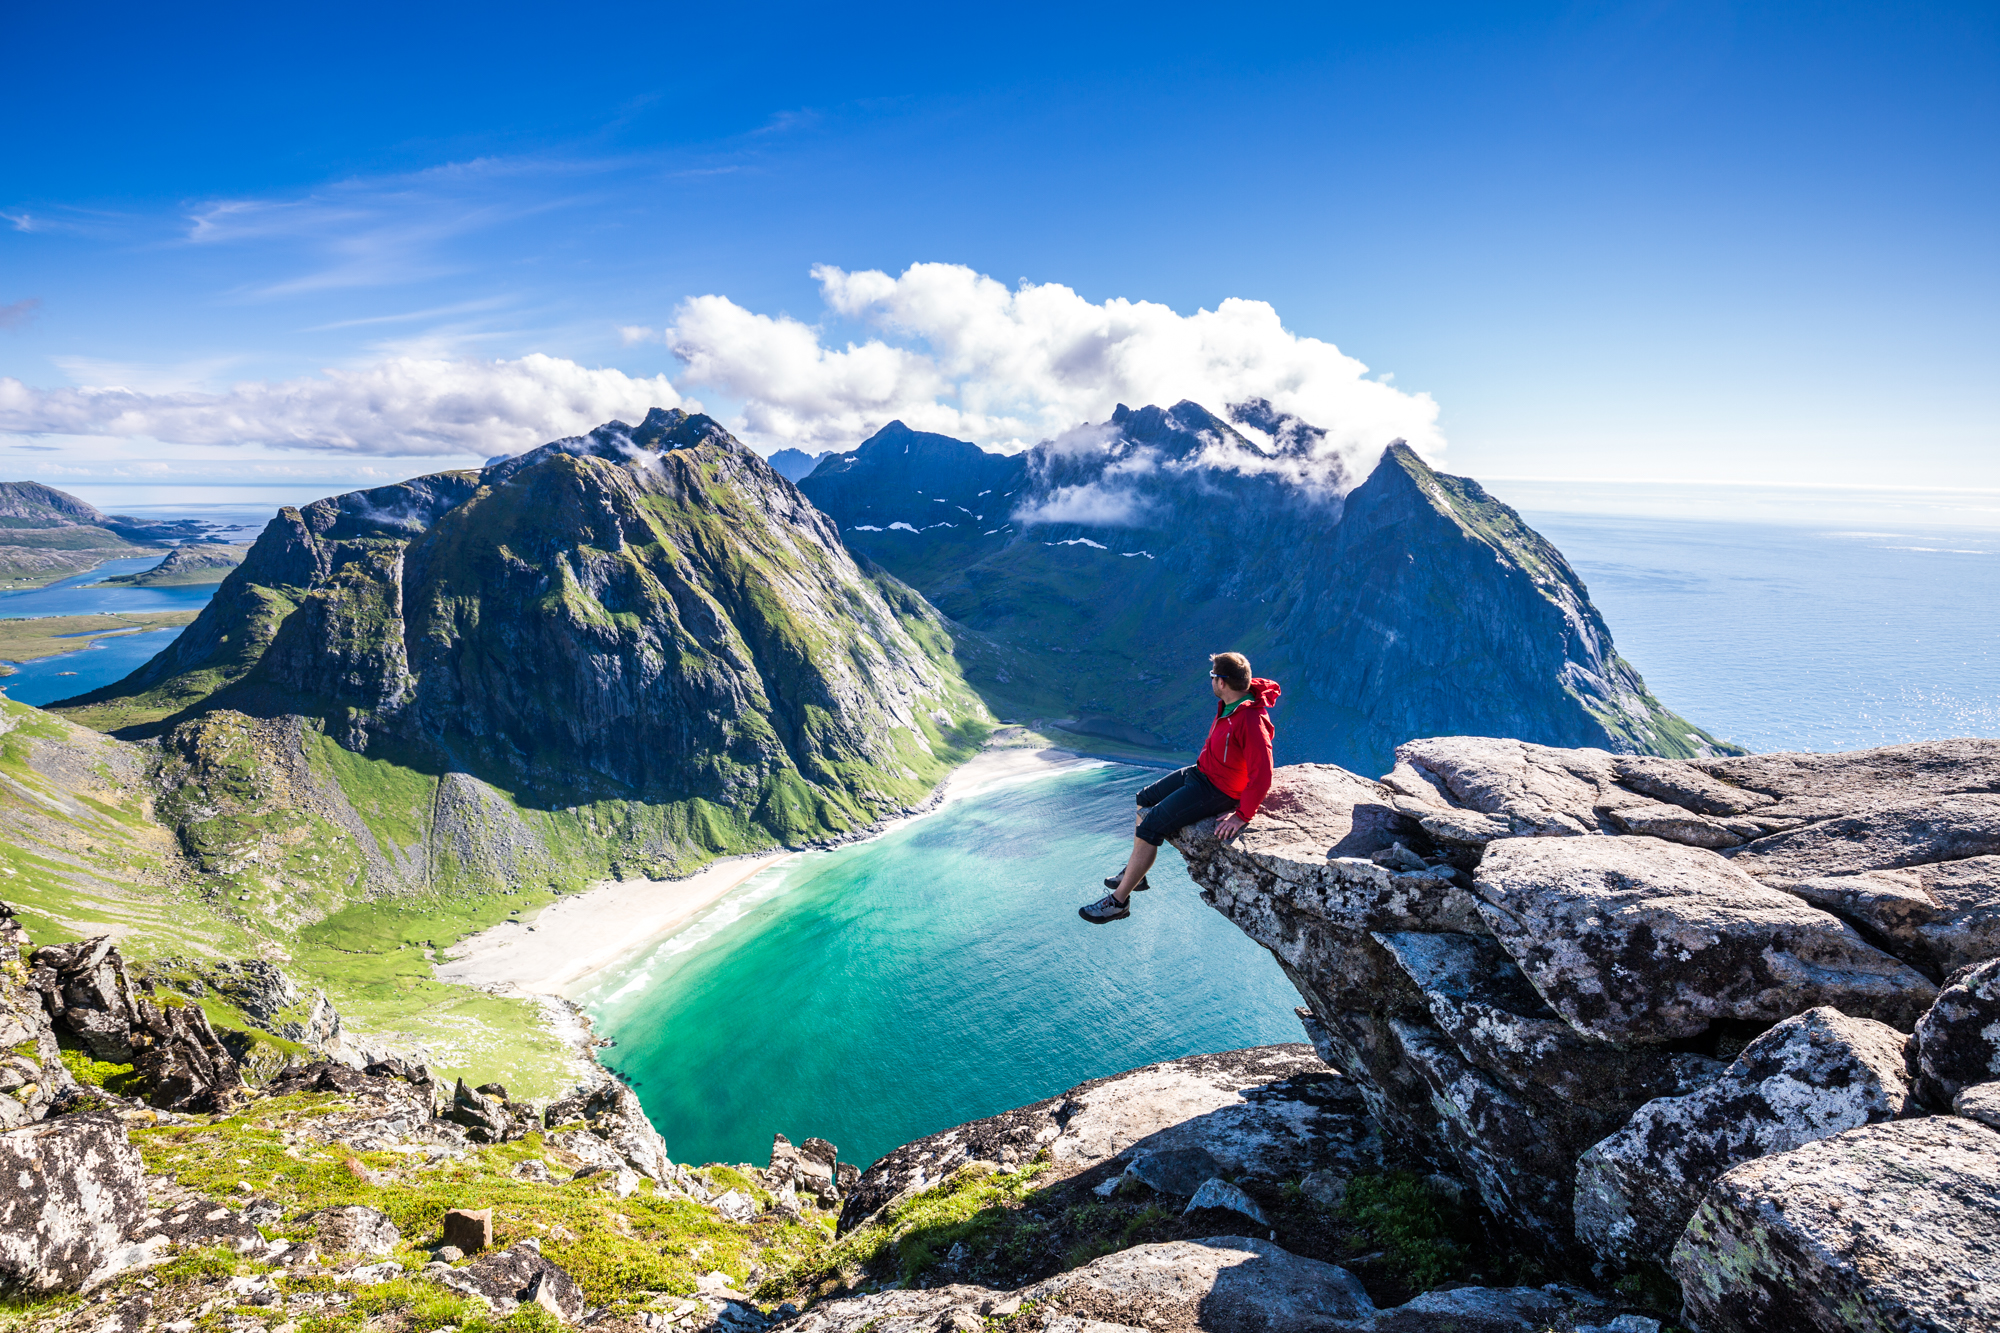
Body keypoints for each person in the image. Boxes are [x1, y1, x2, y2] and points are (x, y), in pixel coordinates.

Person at [1079, 652, 1280, 924]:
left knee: (1151, 825)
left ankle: (1118, 902)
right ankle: (1136, 873)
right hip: (1200, 772)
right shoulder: (1233, 701)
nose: (1210, 682)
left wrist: (1242, 815)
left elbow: (1263, 774)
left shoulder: (1251, 720)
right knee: (1144, 798)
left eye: (1212, 677)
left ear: (1222, 682)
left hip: (1217, 790)